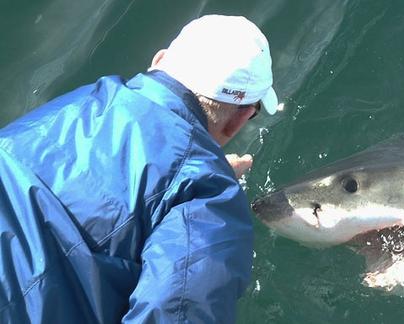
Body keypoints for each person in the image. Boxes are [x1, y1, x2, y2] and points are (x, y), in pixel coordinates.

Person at [0, 14, 277, 323]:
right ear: (240, 118)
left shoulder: (73, 105)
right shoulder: (206, 192)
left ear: (159, 60)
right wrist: (208, 187)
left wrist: (193, 174)